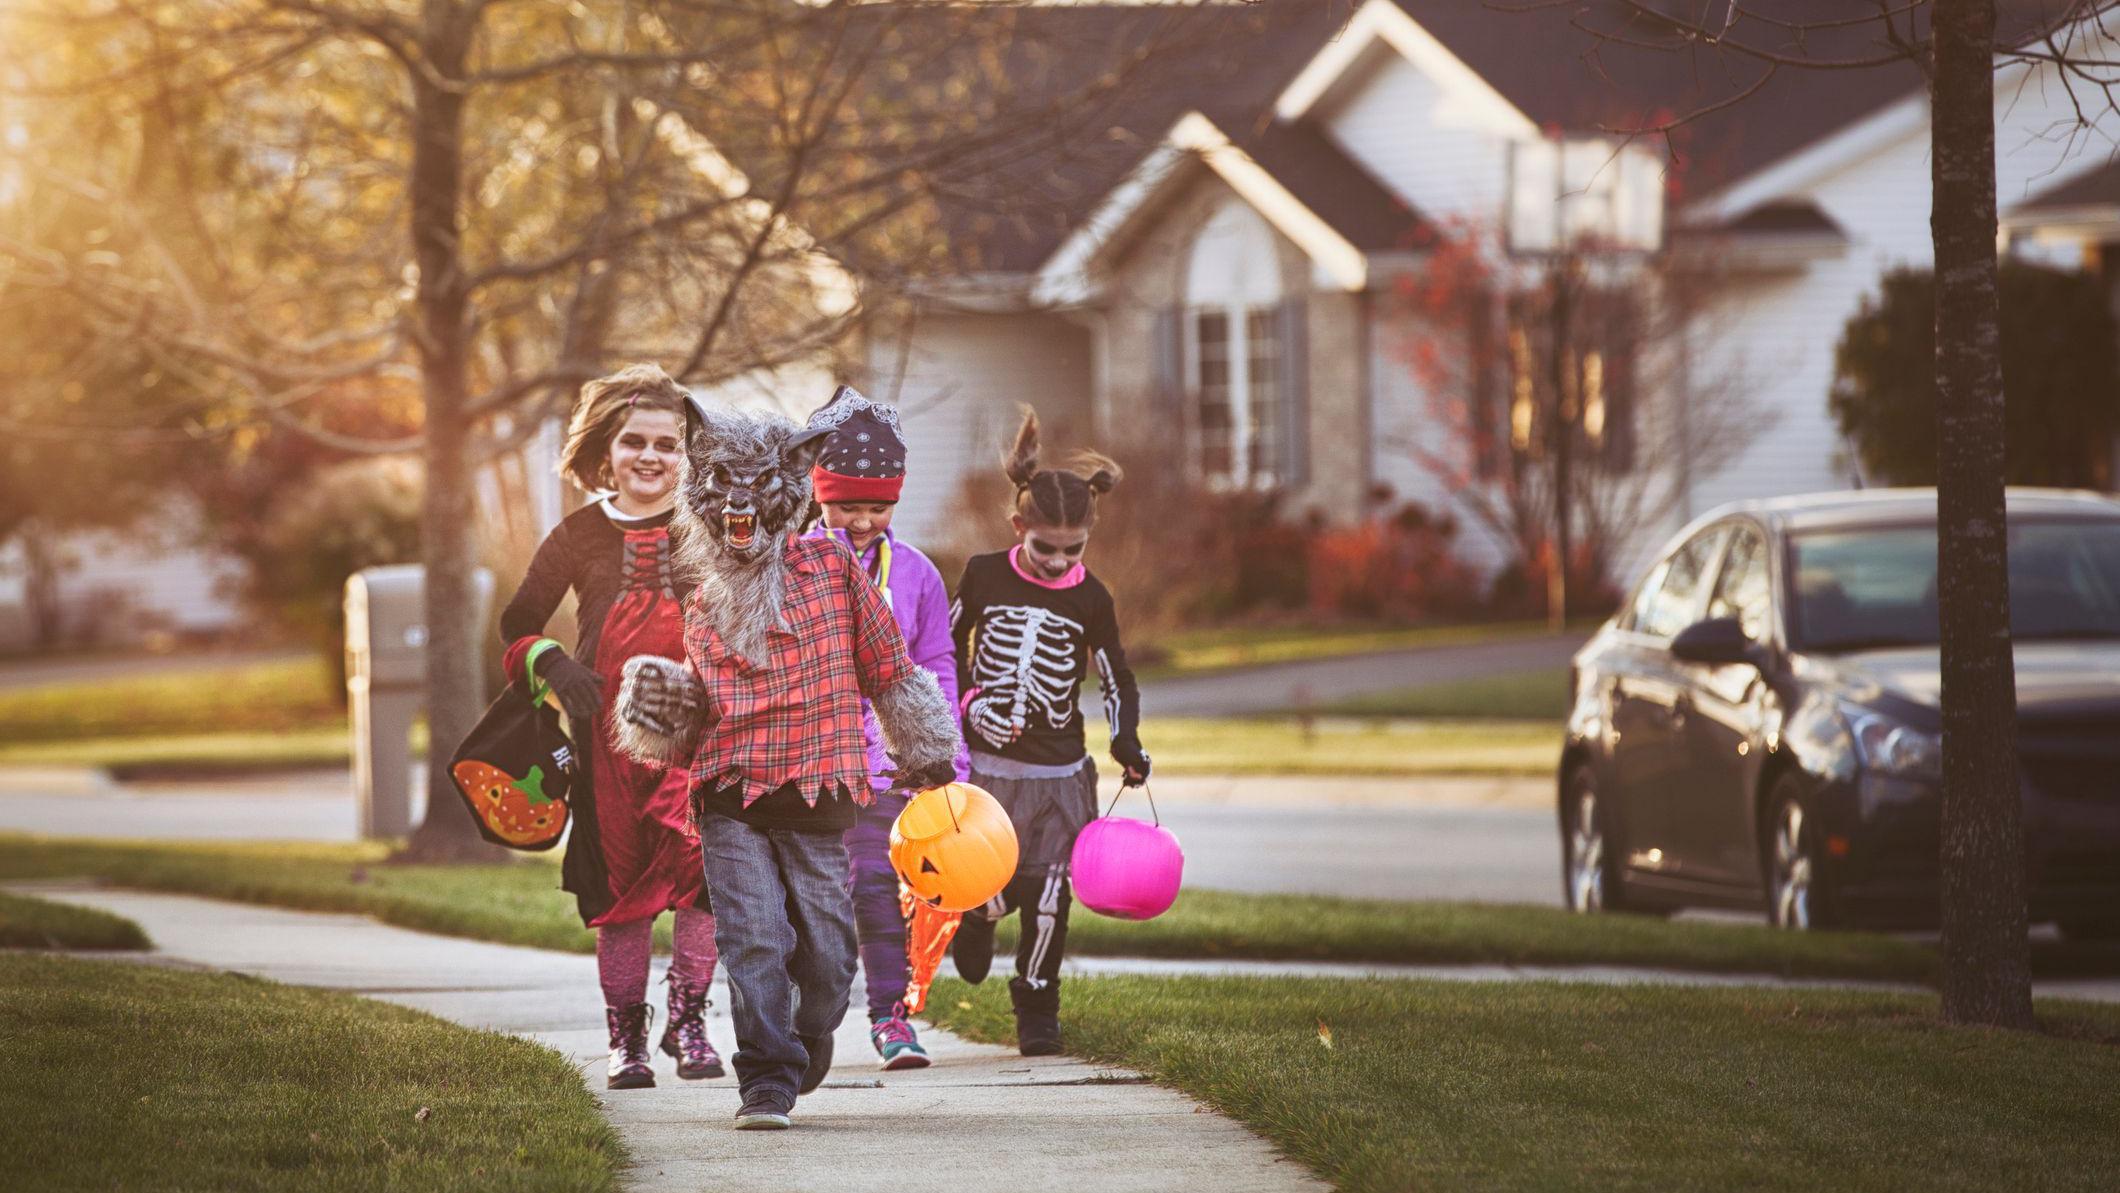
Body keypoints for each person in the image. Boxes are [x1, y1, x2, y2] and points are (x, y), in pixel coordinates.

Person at [609, 399, 962, 1130]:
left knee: (830, 960)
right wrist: (661, 707)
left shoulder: (832, 566)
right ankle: (765, 1081)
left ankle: (804, 1037)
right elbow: (701, 709)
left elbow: (889, 667)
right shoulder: (703, 596)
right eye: (724, 493)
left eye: (755, 493)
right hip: (731, 796)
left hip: (821, 791)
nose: (740, 510)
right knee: (755, 938)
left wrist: (926, 752)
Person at [497, 364, 722, 1091]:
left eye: (667, 444)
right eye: (634, 442)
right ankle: (626, 1036)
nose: (651, 457)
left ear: (688, 455)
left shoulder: (710, 525)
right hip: (605, 742)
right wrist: (552, 662)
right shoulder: (578, 534)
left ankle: (690, 1019)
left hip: (698, 733)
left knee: (702, 877)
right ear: (606, 451)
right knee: (619, 888)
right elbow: (516, 622)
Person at [947, 407, 1150, 1056]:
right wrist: (968, 705)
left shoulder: (1091, 596)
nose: (1060, 561)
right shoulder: (983, 574)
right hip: (988, 768)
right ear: (1019, 527)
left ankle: (1037, 1000)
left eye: (1074, 550)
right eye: (1045, 548)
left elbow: (1115, 674)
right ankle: (976, 917)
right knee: (990, 881)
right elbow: (943, 651)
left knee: (1050, 893)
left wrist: (1127, 741)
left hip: (1060, 773)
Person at [799, 386, 968, 1069]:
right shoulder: (792, 561)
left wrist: (942, 757)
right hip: (805, 766)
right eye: (846, 505)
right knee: (809, 905)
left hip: (882, 769)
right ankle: (804, 1019)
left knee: (876, 888)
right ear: (818, 496)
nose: (862, 520)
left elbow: (935, 665)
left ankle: (890, 1017)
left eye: (877, 506)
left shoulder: (919, 574)